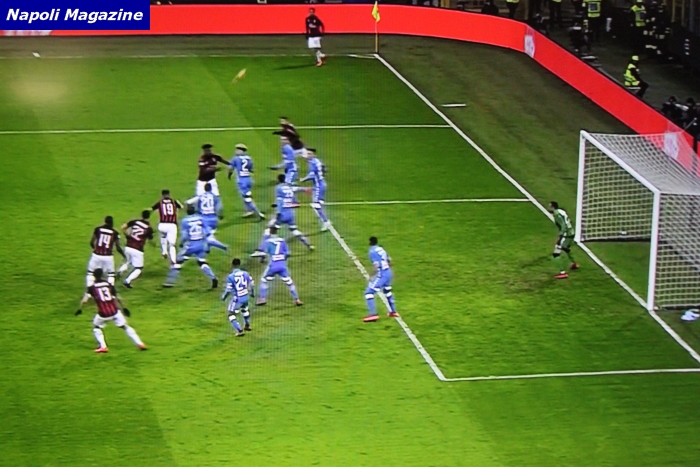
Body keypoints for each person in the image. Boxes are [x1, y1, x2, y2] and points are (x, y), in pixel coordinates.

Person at [75, 268, 147, 353]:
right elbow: (118, 298)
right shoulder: (108, 285)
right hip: (115, 311)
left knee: (96, 327)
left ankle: (103, 347)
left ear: (94, 276)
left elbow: (85, 300)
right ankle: (140, 343)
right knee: (125, 326)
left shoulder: (92, 288)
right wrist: (124, 308)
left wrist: (80, 309)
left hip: (103, 314)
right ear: (102, 275)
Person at [251, 174, 313, 258]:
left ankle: (261, 250)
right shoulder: (289, 187)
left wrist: (277, 214)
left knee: (268, 229)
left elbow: (280, 201)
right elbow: (297, 190)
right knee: (294, 230)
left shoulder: (278, 188)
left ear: (278, 180)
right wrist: (305, 189)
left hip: (282, 214)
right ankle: (308, 244)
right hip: (290, 214)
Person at [163, 205, 218, 289]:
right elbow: (207, 231)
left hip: (191, 245)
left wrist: (181, 243)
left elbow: (185, 236)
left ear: (187, 212)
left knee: (178, 261)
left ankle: (170, 281)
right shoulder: (200, 218)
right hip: (201, 244)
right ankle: (213, 277)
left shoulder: (185, 221)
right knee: (202, 262)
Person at [256, 226, 303, 307]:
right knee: (289, 282)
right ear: (277, 232)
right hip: (282, 266)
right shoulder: (282, 241)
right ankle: (297, 299)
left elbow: (264, 254)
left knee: (264, 280)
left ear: (270, 232)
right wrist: (283, 259)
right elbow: (288, 253)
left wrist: (262, 260)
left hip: (273, 265)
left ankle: (262, 298)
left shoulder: (267, 242)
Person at [363, 237, 399, 322]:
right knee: (387, 291)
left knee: (369, 293)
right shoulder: (381, 249)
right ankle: (393, 312)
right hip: (388, 272)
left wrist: (371, 276)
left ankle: (373, 314)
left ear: (370, 242)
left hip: (382, 275)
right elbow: (389, 261)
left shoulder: (372, 251)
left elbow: (376, 265)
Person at [117, 210, 154, 289]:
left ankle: (120, 271)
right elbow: (151, 239)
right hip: (138, 249)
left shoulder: (135, 221)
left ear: (141, 215)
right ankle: (127, 281)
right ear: (149, 217)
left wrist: (127, 235)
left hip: (128, 246)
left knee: (128, 262)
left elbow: (123, 227)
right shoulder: (149, 228)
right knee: (139, 268)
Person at [186, 182, 228, 251]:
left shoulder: (201, 197)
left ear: (204, 189)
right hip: (213, 219)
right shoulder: (214, 197)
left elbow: (197, 207)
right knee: (208, 235)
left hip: (204, 219)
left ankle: (223, 247)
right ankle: (207, 249)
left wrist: (197, 213)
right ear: (211, 189)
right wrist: (220, 215)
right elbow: (219, 207)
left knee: (206, 237)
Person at [228, 143, 264, 219]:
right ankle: (249, 211)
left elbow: (230, 168)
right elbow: (251, 169)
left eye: (237, 149)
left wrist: (229, 175)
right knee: (245, 196)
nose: (236, 151)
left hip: (242, 181)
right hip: (249, 179)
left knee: (247, 198)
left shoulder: (235, 158)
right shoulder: (249, 158)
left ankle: (258, 213)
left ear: (241, 150)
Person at [87, 216, 125, 287]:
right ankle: (111, 290)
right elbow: (118, 247)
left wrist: (96, 249)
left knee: (90, 273)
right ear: (112, 223)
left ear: (105, 221)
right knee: (111, 275)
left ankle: (89, 290)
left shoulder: (98, 229)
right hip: (108, 256)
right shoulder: (115, 233)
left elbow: (92, 242)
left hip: (96, 255)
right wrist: (124, 255)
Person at [221, 258, 255, 337]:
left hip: (237, 298)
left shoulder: (231, 276)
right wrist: (252, 293)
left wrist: (224, 297)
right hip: (245, 296)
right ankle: (247, 325)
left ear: (232, 265)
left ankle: (239, 330)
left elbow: (228, 290)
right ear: (239, 265)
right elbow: (252, 284)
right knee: (244, 309)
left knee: (231, 313)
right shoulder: (246, 273)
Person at [300, 148, 331, 231]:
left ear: (314, 154)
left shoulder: (312, 163)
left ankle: (326, 221)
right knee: (317, 203)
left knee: (316, 205)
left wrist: (303, 179)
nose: (308, 155)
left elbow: (312, 175)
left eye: (310, 154)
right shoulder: (317, 161)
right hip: (321, 184)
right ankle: (322, 215)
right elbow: (324, 169)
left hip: (318, 186)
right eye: (307, 154)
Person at [151, 189, 183, 264]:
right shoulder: (174, 201)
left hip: (162, 224)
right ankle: (173, 261)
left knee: (163, 237)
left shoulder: (160, 202)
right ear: (169, 194)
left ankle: (164, 251)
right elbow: (181, 208)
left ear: (162, 195)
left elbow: (152, 209)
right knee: (172, 245)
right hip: (172, 225)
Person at [548, 201, 578, 279]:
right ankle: (574, 263)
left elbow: (563, 226)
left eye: (550, 206)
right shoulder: (561, 211)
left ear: (553, 207)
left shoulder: (557, 214)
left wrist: (560, 238)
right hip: (571, 232)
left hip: (566, 234)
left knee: (556, 254)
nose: (548, 208)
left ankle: (562, 273)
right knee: (565, 248)